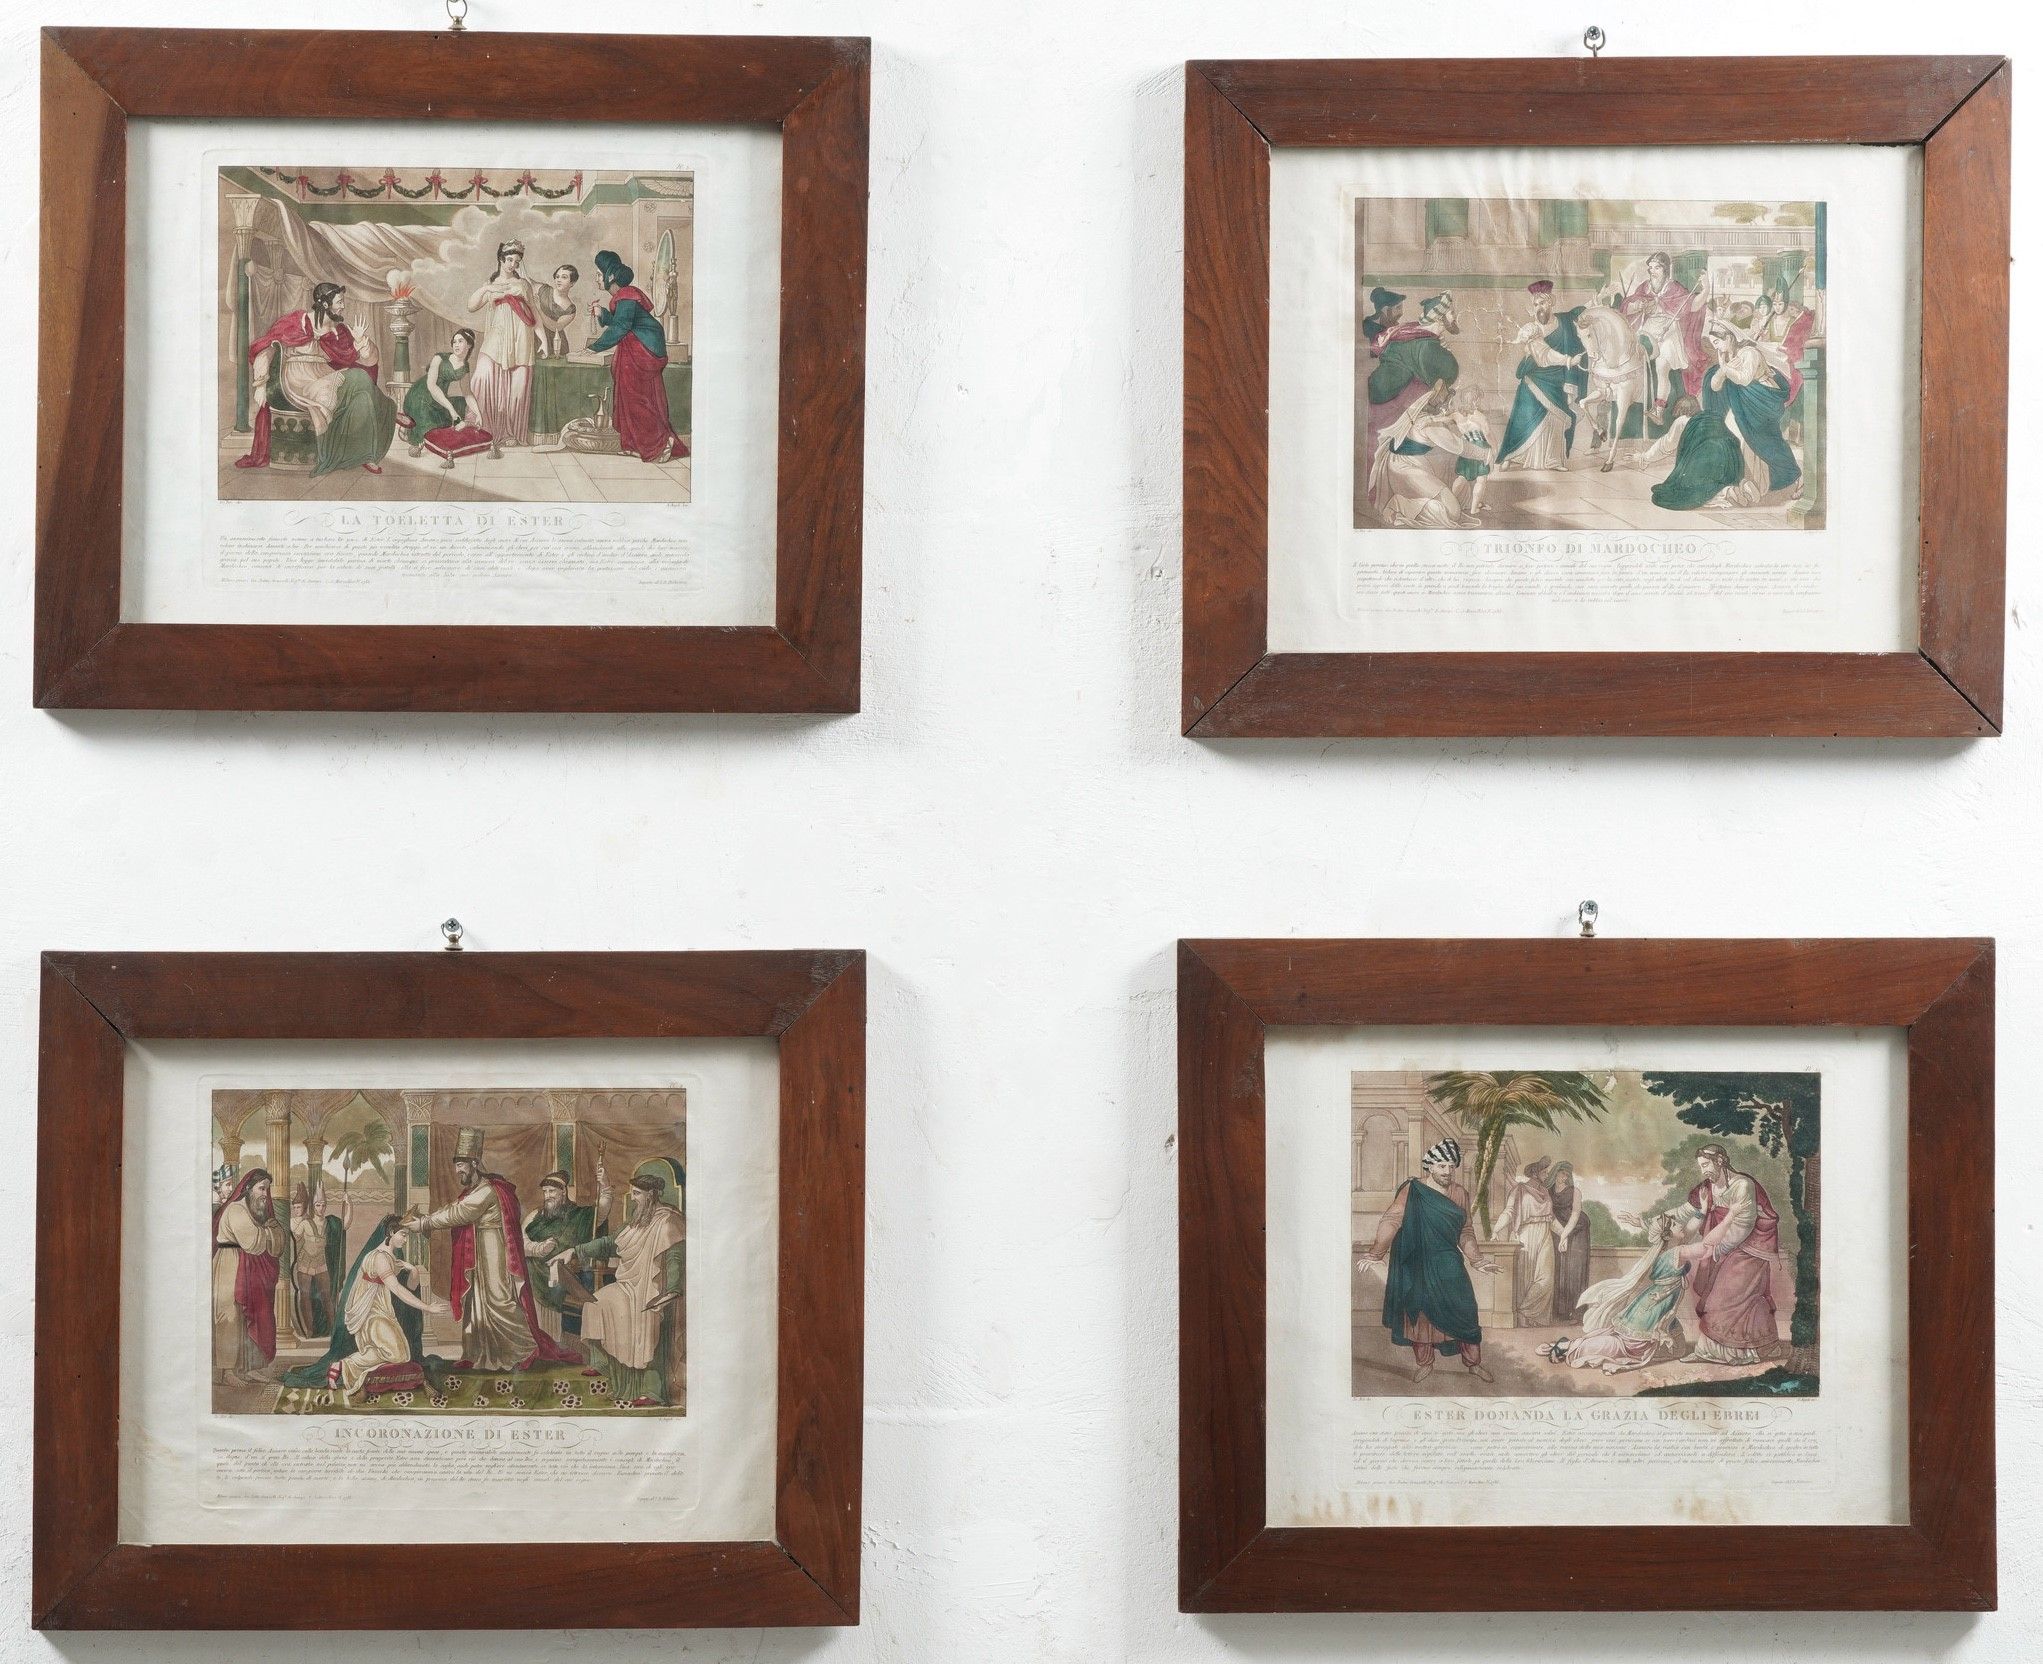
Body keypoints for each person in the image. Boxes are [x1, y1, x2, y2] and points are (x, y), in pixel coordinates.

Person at [403, 1128, 582, 1372]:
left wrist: (425, 1223)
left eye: (461, 1166)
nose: (457, 1171)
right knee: (476, 1302)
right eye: (456, 1166)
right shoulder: (474, 1191)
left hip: (494, 1251)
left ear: (475, 1164)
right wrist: (426, 1219)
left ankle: (524, 1349)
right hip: (477, 1254)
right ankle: (479, 1354)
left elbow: (460, 1213)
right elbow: (454, 1208)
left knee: (499, 1302)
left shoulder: (487, 1190)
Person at [1356, 1138, 1498, 1384]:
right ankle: (1425, 1364)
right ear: (1430, 1166)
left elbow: (1465, 1231)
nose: (1447, 1171)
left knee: (1465, 1311)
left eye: (1451, 1166)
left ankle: (1473, 1364)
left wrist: (1476, 1260)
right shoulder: (1413, 1190)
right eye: (1442, 1165)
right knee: (1419, 1315)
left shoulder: (1459, 1193)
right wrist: (1376, 1252)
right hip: (1417, 1263)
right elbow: (1392, 1220)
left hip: (1448, 1261)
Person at [557, 1158, 687, 1408]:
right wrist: (574, 1250)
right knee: (595, 1304)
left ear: (650, 1195)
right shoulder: (636, 1221)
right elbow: (609, 1244)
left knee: (645, 1323)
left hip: (653, 1289)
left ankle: (651, 1390)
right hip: (628, 1285)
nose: (633, 1199)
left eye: (637, 1194)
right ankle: (604, 1364)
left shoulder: (669, 1222)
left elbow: (675, 1258)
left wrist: (671, 1291)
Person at [237, 281, 397, 476]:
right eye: (339, 302)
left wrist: (361, 341)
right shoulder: (297, 322)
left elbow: (369, 360)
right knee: (358, 377)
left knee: (362, 393)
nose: (343, 306)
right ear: (326, 304)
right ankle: (385, 408)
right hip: (297, 382)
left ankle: (363, 455)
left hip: (323, 376)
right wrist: (261, 385)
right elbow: (267, 350)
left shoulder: (339, 331)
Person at [284, 1217, 449, 1404]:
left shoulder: (390, 1257)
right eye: (403, 1235)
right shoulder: (379, 1258)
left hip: (383, 1312)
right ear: (391, 1233)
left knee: (402, 1354)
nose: (405, 1239)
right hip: (370, 1315)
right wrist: (428, 1307)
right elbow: (396, 1289)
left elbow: (410, 1287)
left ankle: (352, 1364)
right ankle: (345, 1365)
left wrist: (413, 1270)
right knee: (398, 1355)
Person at [1649, 320, 1802, 511]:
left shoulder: (1750, 353)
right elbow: (1714, 385)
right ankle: (1743, 485)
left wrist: (1724, 366)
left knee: (1756, 440)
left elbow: (1744, 379)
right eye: (1714, 344)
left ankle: (1774, 482)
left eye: (1717, 342)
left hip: (1762, 402)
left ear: (1729, 338)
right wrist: (1723, 369)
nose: (1717, 348)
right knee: (1736, 439)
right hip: (1745, 406)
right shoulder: (1733, 357)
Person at [1656, 1144, 1782, 1365]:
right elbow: (1685, 1212)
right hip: (1724, 1247)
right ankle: (1749, 1349)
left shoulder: (1743, 1185)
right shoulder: (1708, 1187)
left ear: (1720, 1161)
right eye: (1701, 1166)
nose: (1703, 1170)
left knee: (1726, 1297)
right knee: (1725, 1296)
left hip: (1749, 1249)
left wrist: (1717, 1250)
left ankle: (1735, 1351)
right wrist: (1654, 1222)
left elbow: (1744, 1225)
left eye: (1706, 1165)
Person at [1544, 1214, 1705, 1375]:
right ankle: (1570, 1346)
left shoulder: (1668, 1249)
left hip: (1654, 1307)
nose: (1681, 1225)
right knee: (1625, 1348)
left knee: (1677, 1349)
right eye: (1675, 1224)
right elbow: (1705, 1247)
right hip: (1652, 1311)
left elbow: (1687, 1232)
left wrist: (1702, 1212)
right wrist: (1721, 1229)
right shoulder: (1677, 1252)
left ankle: (1573, 1344)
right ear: (1668, 1235)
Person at [587, 250, 688, 464]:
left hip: (642, 350)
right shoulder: (623, 296)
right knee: (626, 397)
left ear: (610, 276)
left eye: (598, 274)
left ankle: (661, 443)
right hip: (634, 348)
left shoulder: (627, 295)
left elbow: (622, 327)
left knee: (637, 398)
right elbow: (620, 322)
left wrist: (594, 348)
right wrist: (603, 314)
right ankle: (634, 444)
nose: (596, 278)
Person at [1362, 290, 1461, 485]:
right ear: (1440, 316)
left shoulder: (1417, 336)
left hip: (1396, 411)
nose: (1454, 316)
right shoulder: (1426, 346)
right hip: (1389, 410)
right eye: (1451, 312)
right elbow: (1442, 379)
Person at [1495, 280, 1589, 470]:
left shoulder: (1564, 322)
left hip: (1557, 380)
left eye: (1543, 303)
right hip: (1534, 380)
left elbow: (1581, 313)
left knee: (1557, 419)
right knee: (1523, 420)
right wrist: (1570, 361)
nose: (1539, 308)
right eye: (1536, 304)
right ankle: (1513, 455)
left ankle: (1553, 460)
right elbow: (1545, 356)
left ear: (1551, 302)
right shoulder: (1531, 330)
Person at [1364, 382, 1486, 529]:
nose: (1453, 407)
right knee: (1453, 512)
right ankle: (1398, 503)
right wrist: (1486, 453)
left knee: (1452, 500)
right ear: (1442, 406)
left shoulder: (1425, 417)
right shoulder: (1430, 425)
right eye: (1450, 403)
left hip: (1408, 463)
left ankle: (1414, 503)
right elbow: (1459, 446)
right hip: (1404, 468)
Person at [212, 1168, 285, 1386]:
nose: (265, 1194)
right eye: (261, 1189)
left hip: (245, 1266)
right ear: (248, 1189)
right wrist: (270, 1231)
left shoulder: (253, 1212)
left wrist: (270, 1232)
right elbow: (252, 1242)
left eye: (267, 1190)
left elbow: (275, 1242)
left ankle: (247, 1369)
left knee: (247, 1317)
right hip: (230, 1263)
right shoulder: (236, 1209)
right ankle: (227, 1372)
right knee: (230, 1316)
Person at [1619, 251, 1711, 418]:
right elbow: (1627, 306)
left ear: (1665, 269)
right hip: (1647, 330)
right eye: (1651, 268)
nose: (1652, 271)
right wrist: (1637, 305)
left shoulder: (1673, 288)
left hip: (1668, 332)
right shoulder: (1645, 287)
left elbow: (1693, 305)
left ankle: (1659, 410)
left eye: (1657, 268)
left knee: (1662, 366)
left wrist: (1706, 289)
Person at [468, 240, 538, 445]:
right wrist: (487, 288)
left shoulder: (523, 285)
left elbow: (534, 313)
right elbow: (471, 306)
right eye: (509, 260)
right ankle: (481, 428)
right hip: (496, 340)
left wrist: (542, 339)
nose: (512, 265)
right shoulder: (490, 284)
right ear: (501, 259)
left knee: (516, 390)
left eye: (516, 262)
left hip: (520, 340)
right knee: (481, 379)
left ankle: (509, 433)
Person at [523, 1168, 598, 1343]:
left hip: (566, 1271)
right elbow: (520, 1242)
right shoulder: (536, 1215)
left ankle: (553, 1343)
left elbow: (601, 1212)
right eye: (545, 1192)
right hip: (534, 1270)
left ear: (563, 1191)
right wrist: (539, 1248)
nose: (547, 1196)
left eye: (552, 1191)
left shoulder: (580, 1215)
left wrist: (606, 1187)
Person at [1497, 1156, 1558, 1325]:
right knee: (1524, 1278)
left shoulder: (1545, 1192)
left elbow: (1551, 1219)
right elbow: (1509, 1211)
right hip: (1526, 1235)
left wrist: (1565, 1234)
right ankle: (1524, 1317)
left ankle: (1528, 1312)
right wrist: (1496, 1229)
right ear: (1535, 1173)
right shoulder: (1520, 1190)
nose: (1547, 1175)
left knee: (1546, 1278)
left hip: (1544, 1235)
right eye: (1544, 1172)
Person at [287, 1180, 349, 1343]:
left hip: (321, 1264)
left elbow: (346, 1224)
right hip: (304, 1265)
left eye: (323, 1205)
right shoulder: (304, 1223)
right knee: (305, 1296)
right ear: (313, 1206)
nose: (320, 1208)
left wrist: (348, 1204)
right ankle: (309, 1330)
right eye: (317, 1205)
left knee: (327, 1297)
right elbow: (293, 1236)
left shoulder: (330, 1223)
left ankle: (333, 1328)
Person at [401, 328, 479, 456]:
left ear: (469, 345)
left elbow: (467, 393)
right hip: (421, 395)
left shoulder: (465, 367)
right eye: (454, 342)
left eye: (460, 341)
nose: (456, 345)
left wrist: (478, 413)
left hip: (440, 397)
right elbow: (432, 386)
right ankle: (414, 433)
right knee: (429, 428)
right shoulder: (439, 358)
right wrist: (452, 410)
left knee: (461, 403)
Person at [1547, 1161, 1593, 1320]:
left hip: (1578, 1230)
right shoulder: (1547, 1192)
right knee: (1558, 1267)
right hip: (1557, 1230)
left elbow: (1575, 1215)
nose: (1564, 1177)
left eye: (1567, 1174)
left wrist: (1564, 1235)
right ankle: (1561, 1312)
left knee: (1575, 1269)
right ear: (1555, 1173)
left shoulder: (1575, 1191)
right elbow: (1550, 1216)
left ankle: (1577, 1312)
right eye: (1562, 1173)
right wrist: (1561, 1234)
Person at [534, 263, 580, 359]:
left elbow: (555, 327)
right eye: (557, 277)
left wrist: (539, 308)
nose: (559, 280)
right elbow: (525, 280)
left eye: (564, 277)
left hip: (555, 343)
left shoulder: (570, 309)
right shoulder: (544, 289)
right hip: (537, 336)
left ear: (572, 283)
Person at [1360, 284, 1406, 353]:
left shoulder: (1393, 326)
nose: (1401, 312)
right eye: (1398, 308)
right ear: (1385, 309)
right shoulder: (1368, 326)